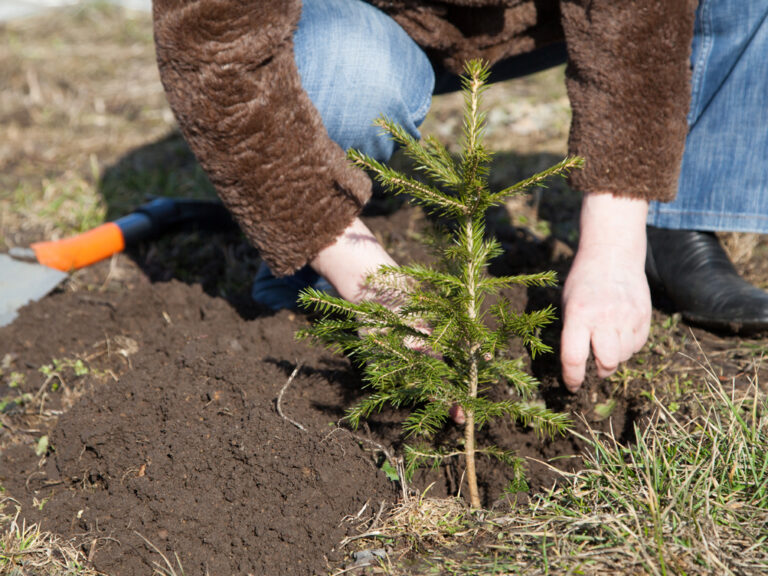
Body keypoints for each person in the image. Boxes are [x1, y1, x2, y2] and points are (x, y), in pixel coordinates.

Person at [152, 0, 768, 393]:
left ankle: (670, 216)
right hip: (366, 23)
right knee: (346, 72)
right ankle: (323, 250)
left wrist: (614, 238)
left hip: (543, 14)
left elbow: (641, 18)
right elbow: (214, 49)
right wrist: (360, 272)